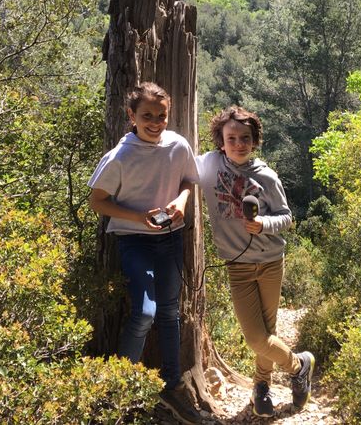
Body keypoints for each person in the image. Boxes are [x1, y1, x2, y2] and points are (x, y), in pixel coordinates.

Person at [87, 82, 202, 425]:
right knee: (144, 312)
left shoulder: (178, 145)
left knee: (169, 312)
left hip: (169, 237)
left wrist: (180, 203)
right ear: (131, 116)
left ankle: (171, 384)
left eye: (161, 116)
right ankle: (119, 388)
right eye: (147, 116)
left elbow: (187, 180)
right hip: (134, 240)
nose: (155, 122)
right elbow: (97, 201)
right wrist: (139, 217)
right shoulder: (120, 156)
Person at [195, 106, 315, 418]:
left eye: (244, 138)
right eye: (231, 137)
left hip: (271, 262)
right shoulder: (209, 165)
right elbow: (179, 167)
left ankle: (260, 386)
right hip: (238, 265)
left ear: (254, 140)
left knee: (268, 330)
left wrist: (263, 223)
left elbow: (287, 217)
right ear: (221, 140)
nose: (238, 143)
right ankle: (299, 365)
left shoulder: (266, 176)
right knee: (257, 337)